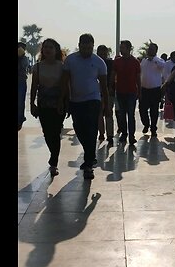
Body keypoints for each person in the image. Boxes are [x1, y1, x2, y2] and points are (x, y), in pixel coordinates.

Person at [60, 33, 109, 179]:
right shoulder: (71, 60)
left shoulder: (99, 62)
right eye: (84, 47)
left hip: (93, 100)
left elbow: (104, 86)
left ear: (93, 46)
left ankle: (88, 164)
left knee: (91, 129)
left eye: (89, 47)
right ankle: (90, 155)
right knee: (79, 129)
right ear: (79, 45)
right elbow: (65, 82)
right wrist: (63, 99)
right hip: (75, 101)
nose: (86, 50)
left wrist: (106, 105)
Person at [29, 38, 66, 177]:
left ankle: (53, 162)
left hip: (58, 104)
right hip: (43, 104)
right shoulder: (38, 66)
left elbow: (65, 87)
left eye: (51, 47)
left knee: (55, 133)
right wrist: (32, 104)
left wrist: (64, 102)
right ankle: (53, 154)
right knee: (47, 132)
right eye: (45, 47)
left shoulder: (62, 66)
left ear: (56, 50)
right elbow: (34, 87)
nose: (48, 50)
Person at [112, 40, 141, 145]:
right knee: (122, 114)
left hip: (131, 92)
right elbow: (113, 75)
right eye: (120, 47)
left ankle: (132, 136)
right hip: (120, 91)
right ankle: (124, 134)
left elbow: (138, 78)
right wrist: (111, 88)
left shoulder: (135, 62)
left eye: (123, 47)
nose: (121, 49)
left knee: (131, 114)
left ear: (129, 49)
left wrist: (140, 91)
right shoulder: (117, 61)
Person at [139, 42, 170, 137]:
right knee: (142, 109)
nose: (149, 50)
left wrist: (153, 60)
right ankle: (146, 124)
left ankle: (153, 128)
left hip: (155, 90)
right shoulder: (144, 61)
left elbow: (162, 66)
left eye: (152, 49)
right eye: (149, 49)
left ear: (156, 50)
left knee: (154, 111)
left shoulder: (159, 61)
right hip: (144, 89)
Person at [96, 44, 115, 144]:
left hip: (108, 91)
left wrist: (111, 87)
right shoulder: (95, 62)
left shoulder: (111, 63)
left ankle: (110, 135)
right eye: (101, 53)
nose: (103, 55)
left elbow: (113, 75)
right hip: (97, 92)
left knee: (108, 113)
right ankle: (102, 133)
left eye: (104, 53)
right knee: (99, 114)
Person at [18, 45, 30, 131]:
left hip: (21, 81)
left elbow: (24, 66)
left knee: (20, 101)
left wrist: (21, 57)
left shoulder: (24, 58)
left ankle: (20, 118)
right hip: (21, 81)